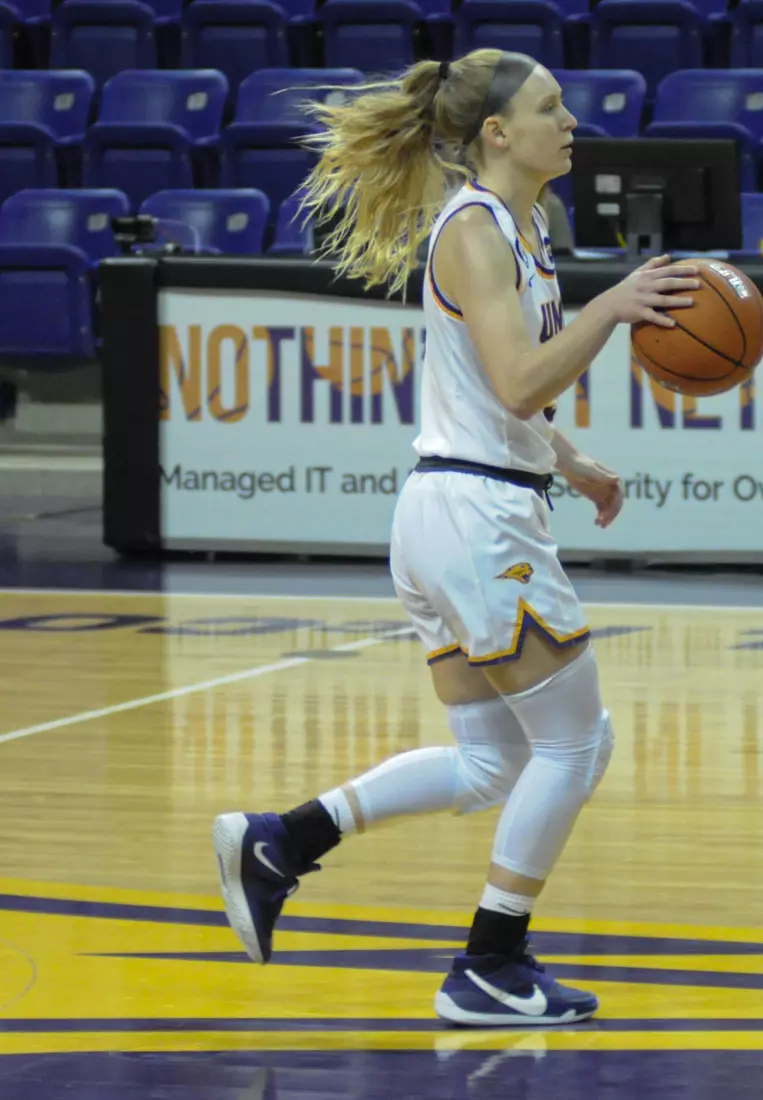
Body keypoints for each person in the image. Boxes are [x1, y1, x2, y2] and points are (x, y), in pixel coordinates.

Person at [210, 48, 699, 1028]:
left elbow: (497, 394)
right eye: (551, 108)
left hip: (456, 508)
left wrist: (568, 460)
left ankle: (280, 839)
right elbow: (519, 381)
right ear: (496, 133)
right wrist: (612, 304)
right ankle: (486, 962)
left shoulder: (524, 224)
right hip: (477, 522)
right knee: (576, 743)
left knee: (491, 765)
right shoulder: (476, 232)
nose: (571, 123)